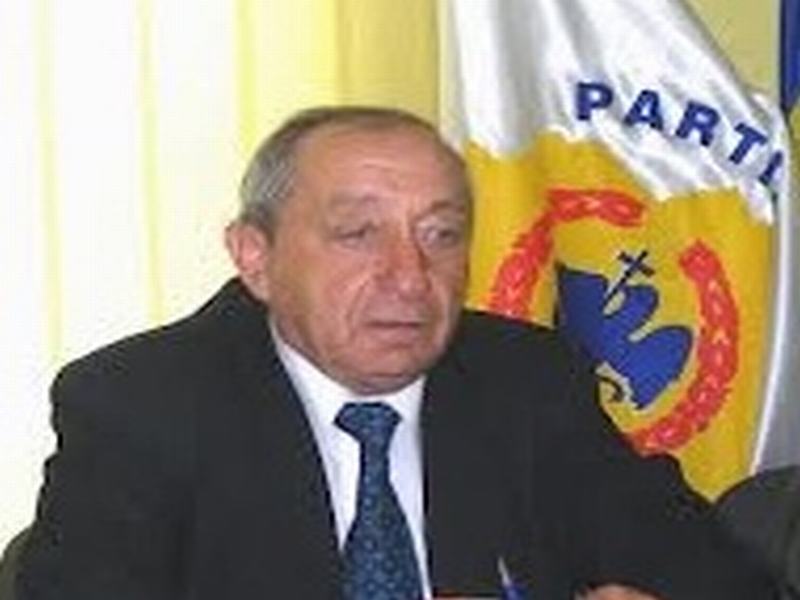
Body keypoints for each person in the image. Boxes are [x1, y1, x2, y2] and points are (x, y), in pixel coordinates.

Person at [14, 106, 778, 600]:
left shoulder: (528, 381)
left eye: (441, 235)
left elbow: (725, 581)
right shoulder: (140, 405)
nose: (410, 277)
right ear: (255, 257)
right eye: (358, 234)